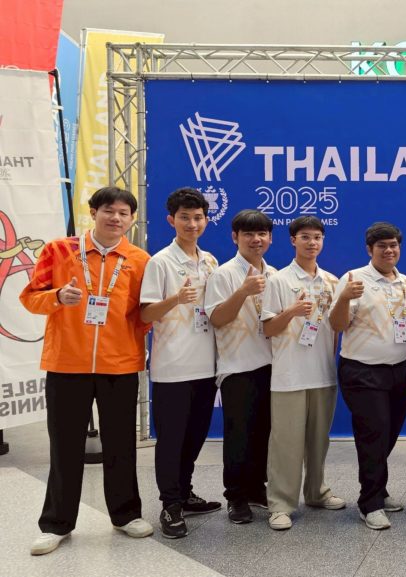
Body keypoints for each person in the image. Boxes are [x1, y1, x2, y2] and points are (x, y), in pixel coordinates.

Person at [21, 186, 154, 555]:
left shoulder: (139, 260)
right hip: (67, 363)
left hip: (119, 365)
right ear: (93, 212)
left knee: (121, 444)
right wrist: (57, 297)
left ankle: (126, 515)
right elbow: (30, 298)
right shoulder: (58, 250)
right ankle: (55, 524)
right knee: (64, 446)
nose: (116, 218)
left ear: (131, 219)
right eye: (109, 210)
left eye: (124, 213)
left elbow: (143, 315)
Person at [140, 187, 222, 539]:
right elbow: (146, 313)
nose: (192, 224)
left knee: (195, 436)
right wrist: (175, 299)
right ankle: (170, 505)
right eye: (185, 217)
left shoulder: (211, 261)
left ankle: (185, 493)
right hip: (173, 367)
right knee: (171, 441)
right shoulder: (160, 262)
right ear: (171, 220)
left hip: (207, 365)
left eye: (198, 217)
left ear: (206, 220)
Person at [332, 222, 406, 530]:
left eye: (393, 245)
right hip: (362, 371)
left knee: (388, 433)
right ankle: (369, 504)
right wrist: (344, 298)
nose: (389, 250)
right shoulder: (354, 280)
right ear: (370, 250)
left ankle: (379, 489)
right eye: (382, 246)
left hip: (398, 370)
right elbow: (337, 325)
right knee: (373, 433)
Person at [261, 216, 346, 531]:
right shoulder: (278, 280)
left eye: (317, 237)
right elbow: (268, 328)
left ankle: (316, 492)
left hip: (323, 373)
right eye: (305, 237)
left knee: (318, 441)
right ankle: (281, 504)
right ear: (293, 240)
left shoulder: (332, 281)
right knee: (286, 444)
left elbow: (336, 328)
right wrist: (292, 312)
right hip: (289, 375)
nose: (312, 243)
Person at [204, 210, 276, 524]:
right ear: (235, 237)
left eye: (262, 234)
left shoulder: (274, 274)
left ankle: (256, 488)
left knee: (263, 433)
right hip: (237, 367)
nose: (256, 239)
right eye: (248, 234)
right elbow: (217, 318)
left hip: (271, 365)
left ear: (270, 238)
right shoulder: (223, 274)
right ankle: (235, 497)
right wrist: (243, 292)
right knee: (239, 435)